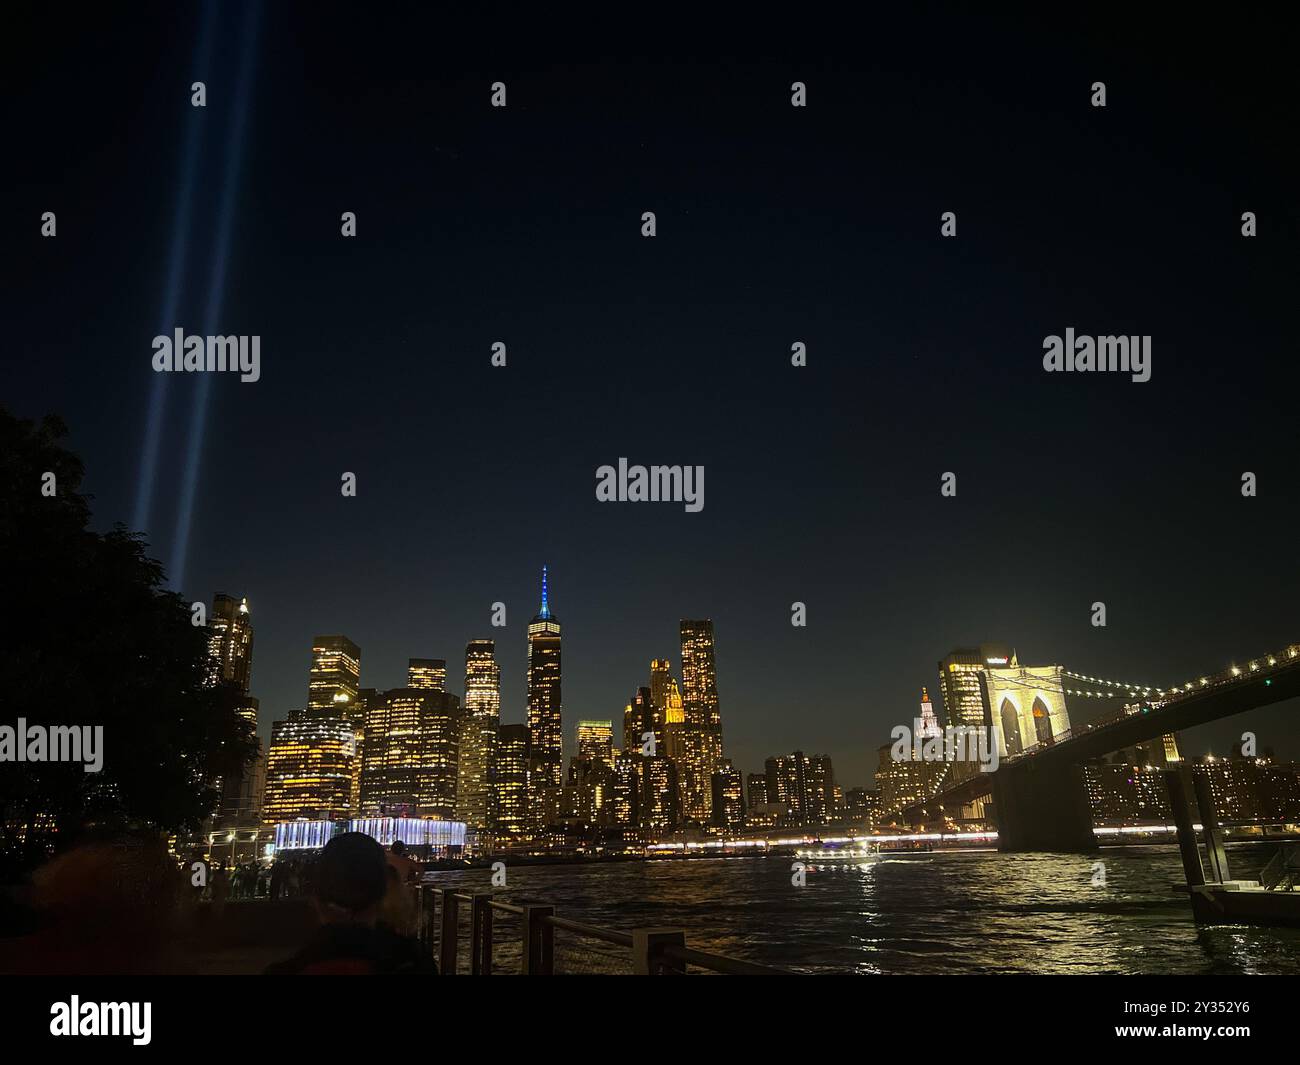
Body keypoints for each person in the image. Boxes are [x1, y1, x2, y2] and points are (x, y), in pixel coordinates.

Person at [264, 833, 436, 975]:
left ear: (315, 900)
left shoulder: (285, 969)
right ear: (384, 894)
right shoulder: (415, 963)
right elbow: (420, 870)